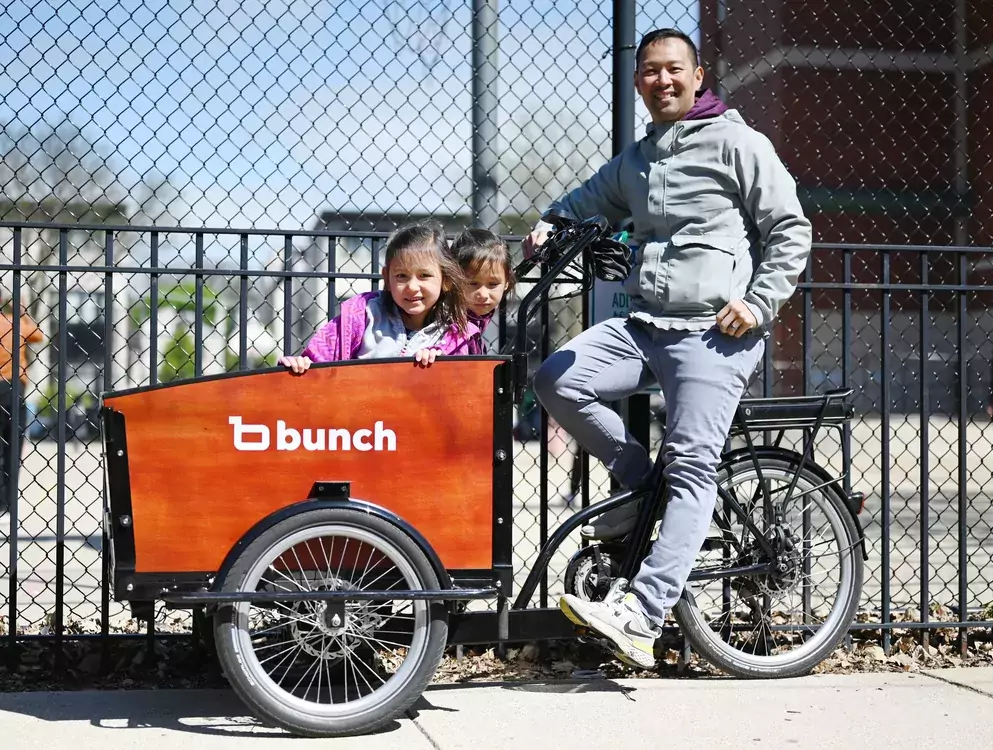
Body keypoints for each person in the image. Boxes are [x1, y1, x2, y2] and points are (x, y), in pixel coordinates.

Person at [525, 28, 813, 668]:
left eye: (674, 69)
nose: (663, 81)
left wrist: (758, 301)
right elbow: (580, 203)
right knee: (556, 379)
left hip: (717, 331)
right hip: (647, 323)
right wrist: (549, 223)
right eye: (650, 71)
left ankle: (643, 613)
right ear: (639, 83)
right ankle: (637, 488)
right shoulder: (637, 160)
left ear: (699, 73)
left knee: (692, 463)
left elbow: (790, 229)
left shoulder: (741, 143)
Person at [279, 221, 479, 373]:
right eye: (401, 276)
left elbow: (463, 393)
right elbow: (318, 362)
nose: (412, 286)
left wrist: (441, 368)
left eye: (424, 276)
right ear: (386, 278)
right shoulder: (361, 316)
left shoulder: (457, 336)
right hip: (362, 425)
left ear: (445, 280)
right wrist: (301, 365)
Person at [0, 298, 44, 515]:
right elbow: (38, 335)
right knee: (13, 446)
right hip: (13, 386)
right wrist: (23, 311)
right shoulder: (15, 324)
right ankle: (9, 503)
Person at [447, 227, 515, 354]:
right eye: (473, 283)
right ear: (453, 280)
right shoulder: (448, 326)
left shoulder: (476, 318)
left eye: (493, 284)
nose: (483, 294)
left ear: (506, 283)